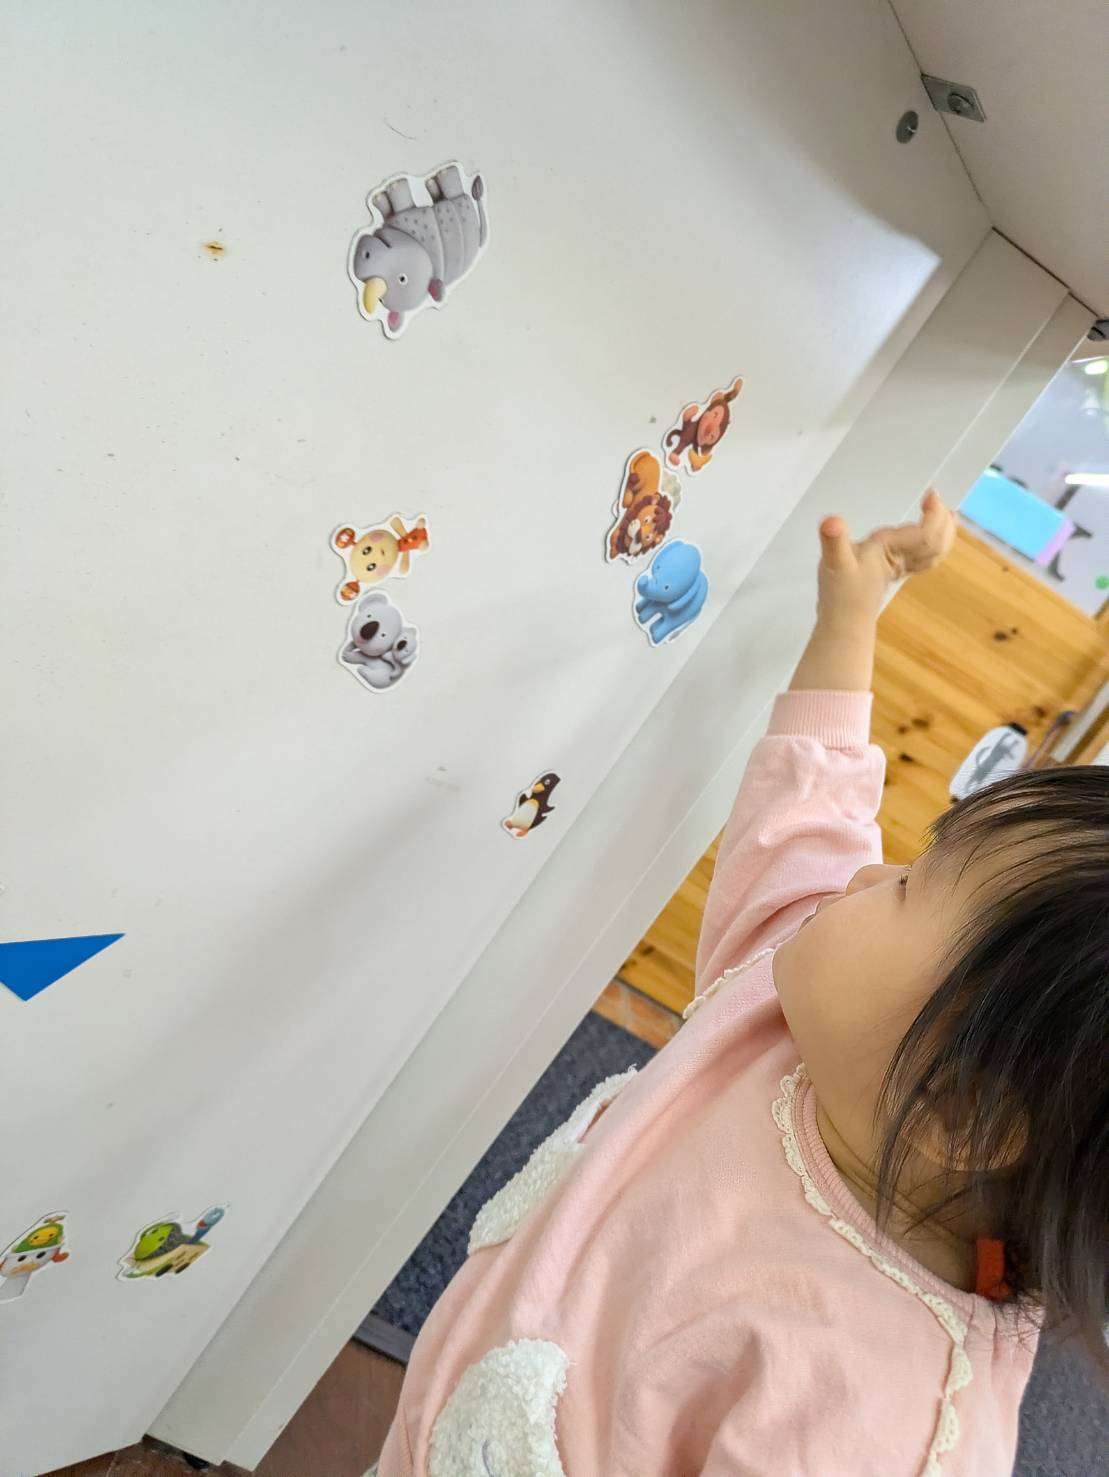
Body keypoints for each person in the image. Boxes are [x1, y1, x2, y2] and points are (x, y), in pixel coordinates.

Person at [370, 492, 1108, 1476]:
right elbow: (812, 804)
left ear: (958, 1111)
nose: (863, 871)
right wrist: (851, 614)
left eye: (905, 887)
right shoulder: (794, 1007)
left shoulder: (875, 1417)